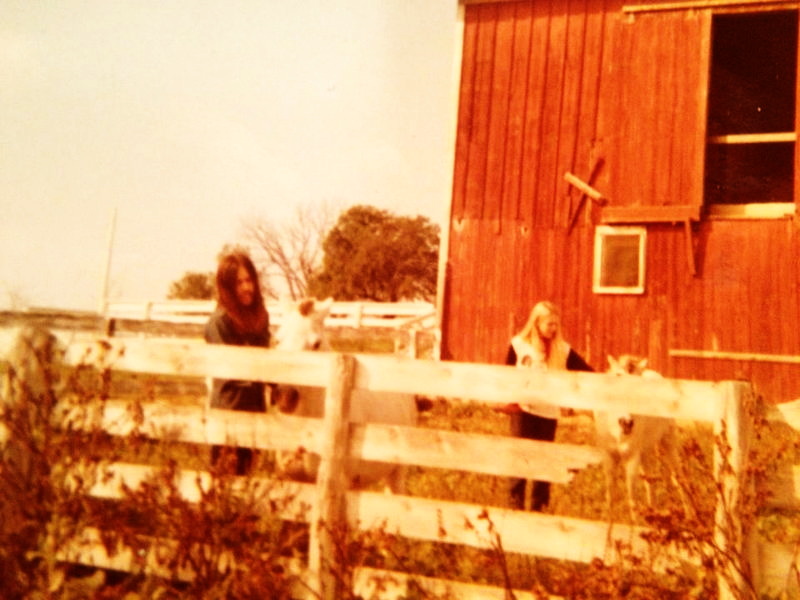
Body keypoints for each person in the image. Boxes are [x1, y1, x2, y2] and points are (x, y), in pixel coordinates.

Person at [504, 300, 593, 511]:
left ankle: (539, 508)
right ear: (536, 323)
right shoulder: (518, 345)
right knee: (520, 458)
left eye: (556, 324)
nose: (553, 329)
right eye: (549, 324)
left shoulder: (562, 349)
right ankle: (514, 508)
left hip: (548, 412)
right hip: (523, 410)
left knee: (544, 460)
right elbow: (505, 374)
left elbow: (587, 371)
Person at [205, 252, 270, 475]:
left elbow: (268, 360)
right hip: (229, 411)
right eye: (239, 283)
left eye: (249, 280)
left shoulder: (260, 318)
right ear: (227, 287)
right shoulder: (220, 322)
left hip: (255, 411)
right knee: (225, 479)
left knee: (248, 480)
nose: (246, 287)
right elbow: (231, 370)